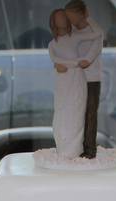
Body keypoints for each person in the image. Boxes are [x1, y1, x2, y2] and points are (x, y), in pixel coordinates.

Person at [64, 0, 103, 159]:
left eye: (72, 16)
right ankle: (74, 147)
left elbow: (89, 57)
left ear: (81, 14)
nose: (70, 20)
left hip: (91, 80)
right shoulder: (71, 33)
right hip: (74, 80)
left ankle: (89, 150)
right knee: (75, 114)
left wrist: (89, 17)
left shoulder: (95, 32)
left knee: (89, 114)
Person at [47, 9, 86, 159]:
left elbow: (83, 58)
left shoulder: (77, 39)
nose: (62, 20)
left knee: (76, 113)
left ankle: (75, 150)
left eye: (64, 17)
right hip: (63, 83)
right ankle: (63, 149)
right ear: (54, 22)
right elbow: (56, 60)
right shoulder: (53, 44)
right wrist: (71, 64)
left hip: (76, 81)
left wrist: (67, 64)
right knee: (62, 113)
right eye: (58, 18)